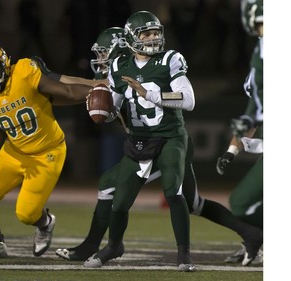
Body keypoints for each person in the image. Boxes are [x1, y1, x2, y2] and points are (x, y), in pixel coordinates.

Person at [46, 25, 262, 268]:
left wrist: (142, 95)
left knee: (112, 184)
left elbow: (185, 98)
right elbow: (90, 89)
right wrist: (98, 107)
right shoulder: (118, 72)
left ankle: (92, 245)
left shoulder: (157, 63)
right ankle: (252, 233)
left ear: (121, 46)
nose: (101, 59)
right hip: (146, 143)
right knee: (193, 204)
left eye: (105, 53)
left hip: (167, 142)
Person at [0, 41, 92, 258]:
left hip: (47, 152)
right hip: (14, 151)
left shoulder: (24, 71)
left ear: (5, 62)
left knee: (26, 214)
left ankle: (45, 224)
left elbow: (66, 90)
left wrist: (96, 91)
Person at [216, 0, 263, 265]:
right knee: (244, 203)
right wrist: (232, 150)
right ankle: (255, 240)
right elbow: (254, 111)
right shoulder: (261, 55)